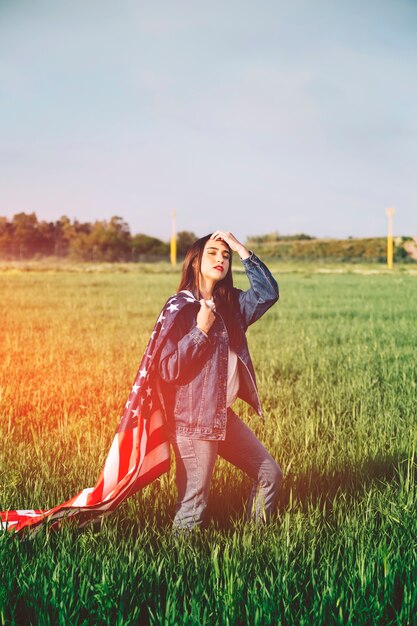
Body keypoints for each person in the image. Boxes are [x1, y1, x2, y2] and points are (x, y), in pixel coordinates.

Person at [157, 230, 282, 531]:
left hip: (221, 417)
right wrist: (199, 331)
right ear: (195, 261)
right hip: (192, 420)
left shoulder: (232, 304)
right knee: (194, 503)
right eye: (213, 253)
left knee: (270, 474)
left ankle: (255, 542)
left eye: (225, 256)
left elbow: (268, 294)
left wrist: (242, 249)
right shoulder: (180, 308)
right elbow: (169, 370)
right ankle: (173, 571)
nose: (221, 259)